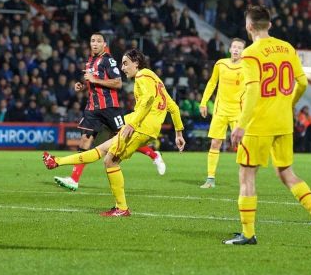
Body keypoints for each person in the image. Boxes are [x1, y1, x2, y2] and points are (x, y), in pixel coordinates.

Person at [226, 5, 311, 245]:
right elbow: (302, 84)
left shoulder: (250, 54)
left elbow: (252, 91)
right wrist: (287, 104)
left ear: (248, 26)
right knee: (286, 173)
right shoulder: (287, 48)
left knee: (247, 175)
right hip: (283, 123)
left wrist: (241, 125)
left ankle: (248, 234)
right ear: (270, 25)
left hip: (257, 125)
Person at [43, 49, 186, 216]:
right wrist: (179, 133)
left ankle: (122, 208)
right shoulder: (155, 79)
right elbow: (174, 107)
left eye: (125, 63)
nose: (123, 68)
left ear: (136, 63)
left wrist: (133, 124)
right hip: (146, 127)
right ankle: (56, 161)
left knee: (110, 161)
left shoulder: (141, 76)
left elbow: (148, 100)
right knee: (102, 149)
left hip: (140, 126)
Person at [53, 33, 165, 192]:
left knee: (123, 137)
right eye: (92, 41)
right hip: (92, 108)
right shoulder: (90, 61)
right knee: (84, 141)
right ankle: (73, 180)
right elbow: (91, 81)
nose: (95, 44)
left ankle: (154, 155)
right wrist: (83, 86)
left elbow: (118, 83)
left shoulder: (109, 60)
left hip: (109, 108)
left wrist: (94, 80)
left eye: (98, 41)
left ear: (104, 44)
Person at [198, 38, 245, 188]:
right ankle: (210, 179)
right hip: (220, 110)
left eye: (239, 47)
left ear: (243, 51)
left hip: (238, 112)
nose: (236, 49)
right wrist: (203, 102)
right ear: (230, 49)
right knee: (215, 143)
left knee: (243, 145)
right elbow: (212, 83)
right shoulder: (221, 64)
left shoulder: (247, 67)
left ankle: (245, 179)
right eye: (234, 47)